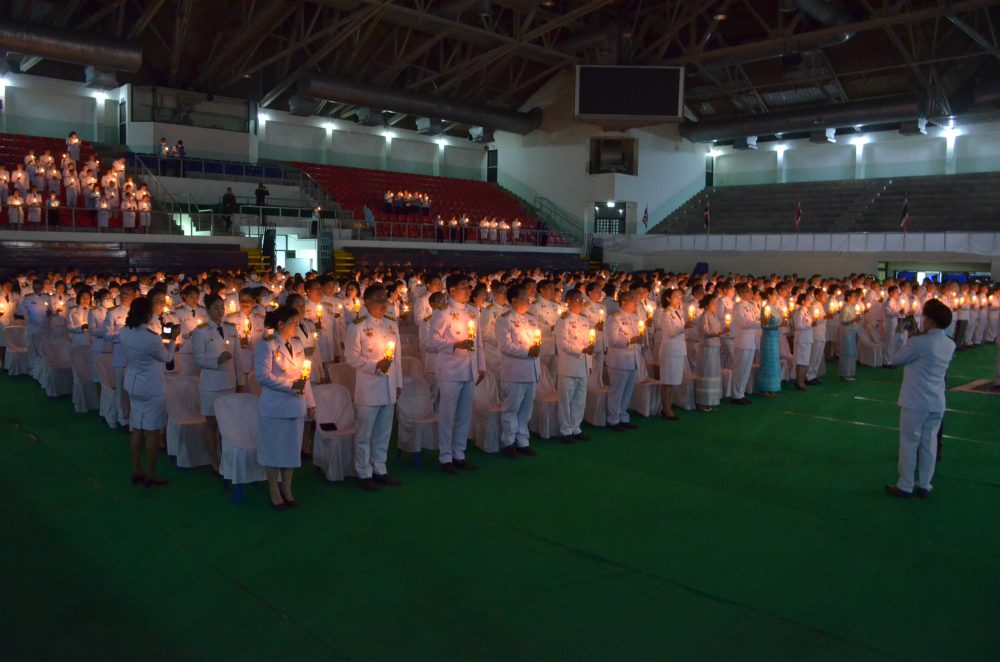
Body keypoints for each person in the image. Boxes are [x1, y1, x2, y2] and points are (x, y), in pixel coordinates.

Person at [885, 299, 955, 498]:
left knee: (909, 442)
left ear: (930, 320)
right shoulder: (949, 344)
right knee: (929, 443)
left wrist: (898, 334)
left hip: (915, 401)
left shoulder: (919, 342)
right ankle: (924, 483)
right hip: (937, 401)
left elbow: (895, 358)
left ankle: (905, 484)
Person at [255, 305, 315, 509]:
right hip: (275, 406)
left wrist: (310, 401)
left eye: (298, 323)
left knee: (291, 449)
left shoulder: (297, 343)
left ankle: (287, 487)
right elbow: (263, 376)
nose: (297, 326)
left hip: (295, 405)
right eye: (293, 323)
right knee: (273, 449)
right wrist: (291, 386)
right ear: (281, 324)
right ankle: (273, 488)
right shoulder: (267, 345)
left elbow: (305, 376)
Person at [344, 285, 403, 491]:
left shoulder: (390, 322)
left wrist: (398, 383)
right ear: (367, 302)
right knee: (365, 433)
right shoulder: (357, 326)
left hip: (389, 385)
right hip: (369, 386)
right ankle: (364, 471)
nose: (384, 303)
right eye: (379, 299)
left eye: (385, 299)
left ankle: (380, 468)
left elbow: (398, 357)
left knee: (384, 432)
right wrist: (374, 366)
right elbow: (351, 357)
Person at [427, 273, 485, 474]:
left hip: (469, 368)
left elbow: (478, 341)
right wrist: (454, 344)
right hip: (451, 370)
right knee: (448, 414)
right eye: (464, 287)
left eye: (469, 287)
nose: (469, 290)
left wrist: (481, 365)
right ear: (452, 290)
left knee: (464, 414)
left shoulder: (472, 310)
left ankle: (459, 453)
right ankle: (445, 456)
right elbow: (432, 340)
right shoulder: (442, 312)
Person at [120, 295, 179, 486]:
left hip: (133, 383)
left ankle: (136, 469)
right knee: (153, 431)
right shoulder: (151, 338)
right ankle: (151, 472)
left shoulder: (124, 332)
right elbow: (167, 357)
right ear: (147, 314)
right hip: (151, 387)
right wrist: (173, 338)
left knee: (137, 429)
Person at [192, 294, 238, 475]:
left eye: (222, 307)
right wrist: (217, 360)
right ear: (208, 310)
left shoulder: (231, 328)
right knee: (211, 424)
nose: (220, 311)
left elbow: (238, 358)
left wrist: (240, 382)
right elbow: (198, 360)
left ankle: (227, 457)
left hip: (229, 382)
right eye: (215, 308)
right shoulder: (201, 332)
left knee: (228, 424)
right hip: (211, 385)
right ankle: (213, 460)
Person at [495, 284, 542, 457]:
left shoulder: (531, 319)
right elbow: (505, 346)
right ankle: (509, 441)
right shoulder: (504, 320)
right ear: (514, 301)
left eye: (528, 297)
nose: (528, 300)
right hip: (515, 372)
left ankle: (523, 441)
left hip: (531, 370)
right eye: (524, 297)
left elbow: (537, 341)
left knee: (526, 410)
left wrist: (535, 350)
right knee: (511, 409)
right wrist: (527, 351)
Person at [554, 289, 594, 443]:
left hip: (583, 364)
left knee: (579, 399)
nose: (581, 302)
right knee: (566, 400)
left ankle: (576, 428)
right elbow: (563, 344)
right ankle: (565, 430)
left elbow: (588, 341)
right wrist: (581, 350)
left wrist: (589, 361)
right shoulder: (563, 320)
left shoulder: (584, 319)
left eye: (582, 299)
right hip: (569, 365)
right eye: (577, 299)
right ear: (568, 301)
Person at [605, 291, 642, 431]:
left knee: (627, 391)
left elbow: (638, 334)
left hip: (633, 359)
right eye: (632, 302)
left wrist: (640, 340)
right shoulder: (614, 318)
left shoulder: (635, 317)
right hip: (619, 360)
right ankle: (613, 419)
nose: (635, 304)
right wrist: (629, 340)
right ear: (623, 303)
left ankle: (623, 417)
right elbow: (612, 340)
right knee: (617, 391)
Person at [655, 288, 688, 420]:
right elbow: (669, 332)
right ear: (668, 299)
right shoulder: (666, 313)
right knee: (667, 381)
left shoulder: (678, 312)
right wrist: (684, 328)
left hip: (678, 349)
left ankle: (669, 406)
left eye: (679, 297)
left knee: (673, 380)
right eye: (675, 297)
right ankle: (666, 408)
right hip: (669, 350)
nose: (678, 299)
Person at [730, 284, 760, 404]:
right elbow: (743, 323)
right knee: (740, 368)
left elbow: (755, 318)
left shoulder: (751, 306)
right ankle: (736, 394)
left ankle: (741, 392)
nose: (751, 294)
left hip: (751, 341)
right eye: (748, 292)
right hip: (743, 341)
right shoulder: (738, 306)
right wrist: (759, 323)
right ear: (742, 294)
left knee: (746, 369)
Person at [695, 294, 724, 412]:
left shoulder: (714, 316)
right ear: (707, 305)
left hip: (715, 347)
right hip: (707, 348)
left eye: (716, 303)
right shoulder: (704, 316)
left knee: (714, 373)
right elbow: (705, 332)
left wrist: (721, 331)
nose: (715, 306)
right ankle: (703, 401)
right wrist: (718, 332)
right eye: (713, 303)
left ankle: (712, 400)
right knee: (707, 373)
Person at [756, 288, 783, 397]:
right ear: (769, 295)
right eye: (775, 294)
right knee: (767, 362)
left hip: (775, 337)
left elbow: (779, 321)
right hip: (768, 337)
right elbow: (764, 326)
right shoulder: (765, 308)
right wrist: (776, 325)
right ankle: (764, 388)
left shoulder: (774, 308)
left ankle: (772, 387)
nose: (777, 296)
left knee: (774, 362)